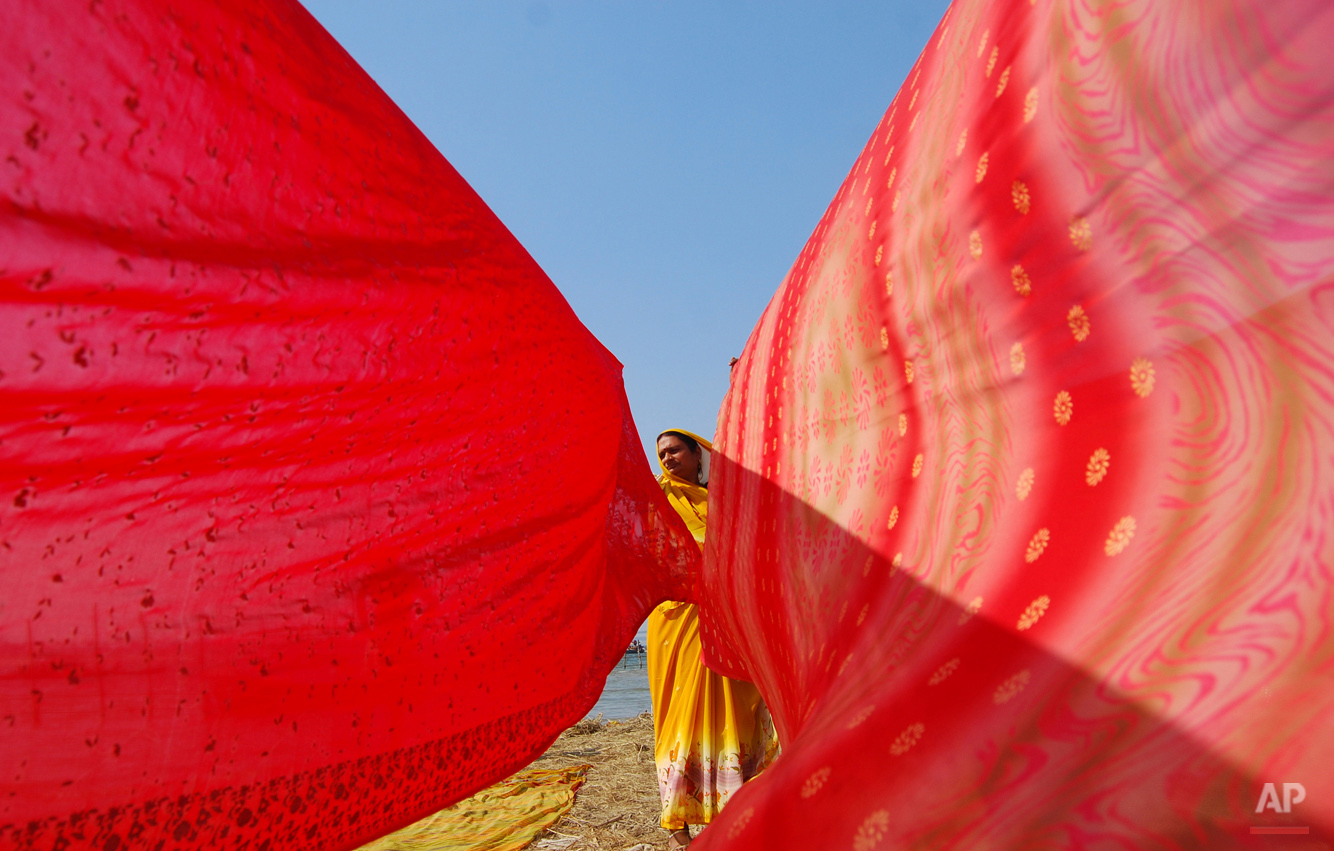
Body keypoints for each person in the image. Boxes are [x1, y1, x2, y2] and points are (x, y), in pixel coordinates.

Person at [648, 429, 779, 849]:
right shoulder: (655, 501)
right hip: (677, 621)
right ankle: (677, 827)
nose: (667, 460)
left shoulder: (720, 502)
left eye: (674, 452)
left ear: (696, 454)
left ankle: (737, 808)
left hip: (725, 620)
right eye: (661, 455)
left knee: (736, 706)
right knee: (679, 717)